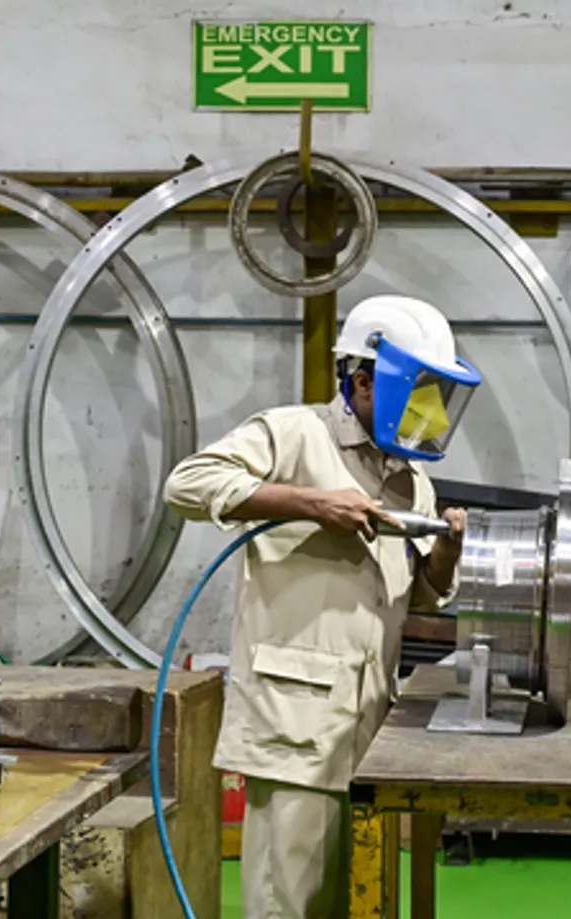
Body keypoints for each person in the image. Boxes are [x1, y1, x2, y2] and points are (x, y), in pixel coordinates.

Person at [163, 295, 482, 919]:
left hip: (368, 726)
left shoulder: (410, 477)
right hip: (295, 725)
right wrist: (312, 504)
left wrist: (448, 548)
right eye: (419, 391)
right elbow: (187, 483)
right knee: (289, 902)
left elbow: (419, 593)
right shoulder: (292, 432)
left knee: (355, 901)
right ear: (365, 380)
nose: (430, 412)